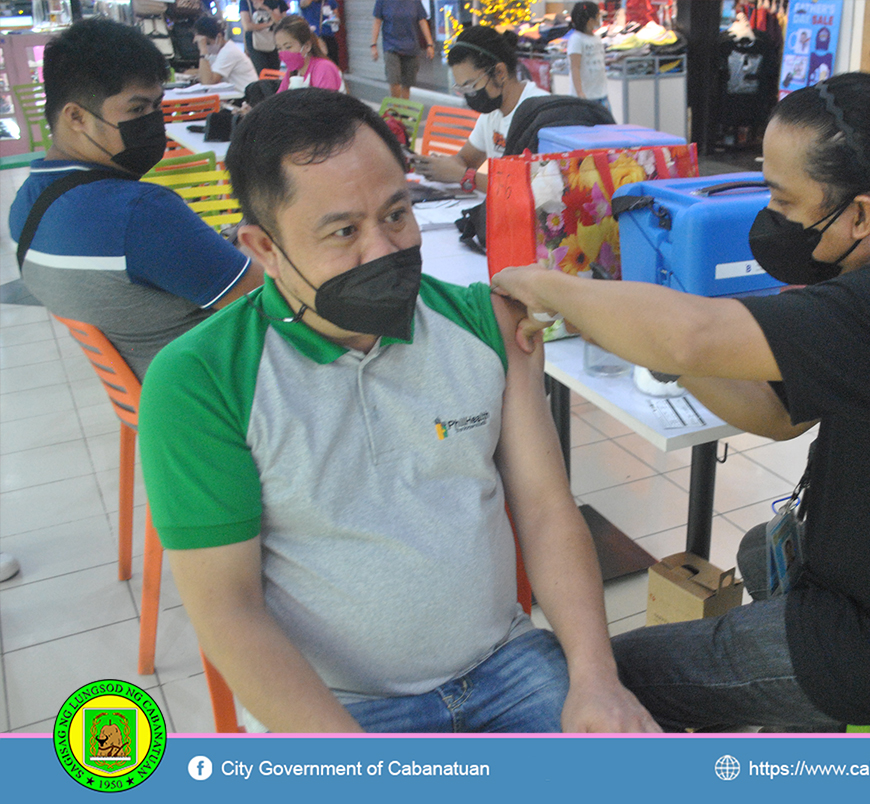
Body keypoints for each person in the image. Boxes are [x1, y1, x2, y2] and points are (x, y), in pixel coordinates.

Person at [492, 73, 870, 731]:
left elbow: (694, 335)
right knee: (757, 550)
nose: (771, 220)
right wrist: (649, 344)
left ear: (861, 214)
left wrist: (545, 285)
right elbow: (776, 416)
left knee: (609, 680)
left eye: (783, 201)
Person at [137, 88, 659, 735]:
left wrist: (595, 677)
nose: (384, 251)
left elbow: (548, 510)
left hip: (506, 662)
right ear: (264, 248)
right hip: (340, 706)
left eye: (396, 214)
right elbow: (227, 609)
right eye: (344, 232)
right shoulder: (204, 381)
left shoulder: (484, 324)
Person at [8, 18, 261, 381]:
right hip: (221, 396)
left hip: (150, 392)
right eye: (137, 109)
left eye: (157, 106)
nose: (154, 122)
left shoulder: (25, 206)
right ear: (76, 116)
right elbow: (264, 298)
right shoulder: (139, 212)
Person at [410, 25, 548, 195]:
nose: (469, 95)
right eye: (462, 88)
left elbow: (532, 190)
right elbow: (465, 159)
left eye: (470, 86)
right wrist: (438, 167)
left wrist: (464, 176)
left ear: (500, 72)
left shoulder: (541, 113)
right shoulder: (492, 113)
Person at [371, 0, 435, 100]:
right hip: (391, 46)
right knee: (394, 81)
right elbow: (377, 21)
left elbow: (422, 21)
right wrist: (373, 45)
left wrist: (429, 44)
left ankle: (404, 112)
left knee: (407, 84)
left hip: (411, 48)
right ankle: (396, 111)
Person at [274, 14, 344, 93]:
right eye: (279, 48)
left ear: (307, 46)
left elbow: (326, 103)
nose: (283, 53)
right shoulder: (292, 72)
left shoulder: (324, 68)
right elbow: (278, 100)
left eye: (288, 47)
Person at [192, 15, 258, 94]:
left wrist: (203, 51)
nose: (206, 46)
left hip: (246, 97)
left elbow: (208, 82)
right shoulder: (217, 52)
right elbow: (206, 73)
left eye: (207, 43)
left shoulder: (229, 51)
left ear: (219, 37)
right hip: (236, 95)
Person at [568, 2, 608, 110]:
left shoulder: (597, 37)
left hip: (601, 94)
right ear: (590, 21)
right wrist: (580, 92)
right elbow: (575, 67)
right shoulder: (576, 39)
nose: (600, 18)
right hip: (585, 97)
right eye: (598, 15)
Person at [240, 0, 288, 76]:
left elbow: (281, 21)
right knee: (261, 74)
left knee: (274, 73)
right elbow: (247, 26)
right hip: (255, 44)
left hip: (274, 42)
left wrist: (266, 8)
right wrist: (268, 24)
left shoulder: (275, 2)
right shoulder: (246, 2)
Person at [299, 0, 340, 65]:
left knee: (333, 62)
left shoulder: (330, 2)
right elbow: (303, 4)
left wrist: (332, 16)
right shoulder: (307, 2)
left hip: (328, 36)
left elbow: (336, 16)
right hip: (313, 37)